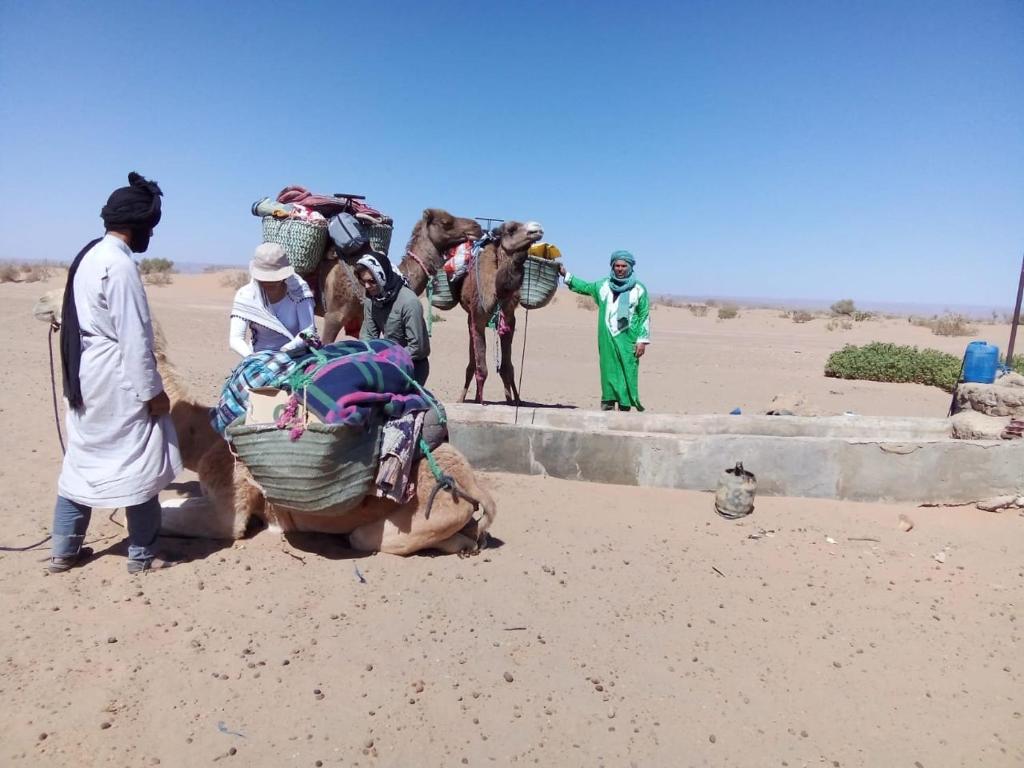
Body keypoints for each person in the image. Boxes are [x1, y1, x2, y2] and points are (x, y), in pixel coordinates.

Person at [51, 172, 183, 574]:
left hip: (88, 374)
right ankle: (142, 555)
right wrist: (152, 393)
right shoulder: (120, 266)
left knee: (83, 460)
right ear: (141, 225)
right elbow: (134, 338)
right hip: (117, 379)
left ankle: (64, 551)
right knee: (140, 462)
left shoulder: (90, 256)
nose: (152, 238)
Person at [559, 250, 651, 411]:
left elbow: (644, 315)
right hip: (607, 336)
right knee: (608, 368)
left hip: (629, 338)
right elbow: (584, 287)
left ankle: (625, 404)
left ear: (630, 267)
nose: (620, 269)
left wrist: (642, 340)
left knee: (627, 369)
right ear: (612, 266)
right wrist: (566, 275)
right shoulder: (603, 285)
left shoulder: (639, 289)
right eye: (617, 266)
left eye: (623, 266)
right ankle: (608, 402)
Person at [353, 253, 431, 385]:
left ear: (381, 277)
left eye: (371, 281)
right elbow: (368, 336)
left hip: (411, 366)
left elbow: (418, 348)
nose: (367, 286)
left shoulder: (409, 302)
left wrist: (387, 358)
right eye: (363, 281)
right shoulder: (371, 301)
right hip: (385, 362)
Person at [229, 243, 318, 357]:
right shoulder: (246, 295)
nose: (269, 282)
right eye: (264, 278)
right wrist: (252, 359)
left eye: (275, 278)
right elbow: (236, 339)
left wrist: (287, 350)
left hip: (296, 355)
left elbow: (308, 332)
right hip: (259, 358)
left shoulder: (299, 291)